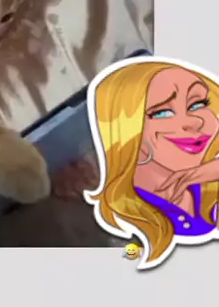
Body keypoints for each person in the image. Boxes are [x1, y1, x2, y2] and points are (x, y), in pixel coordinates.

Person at [84, 57, 219, 269]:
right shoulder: (124, 224)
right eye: (162, 113)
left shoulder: (207, 188)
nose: (195, 121)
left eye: (198, 104)